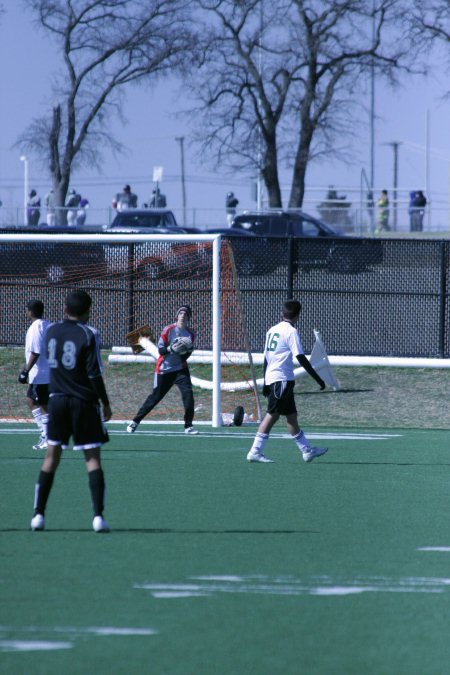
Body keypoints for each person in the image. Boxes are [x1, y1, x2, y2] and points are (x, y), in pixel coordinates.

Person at [30, 290, 112, 533]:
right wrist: (105, 403)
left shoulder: (52, 331)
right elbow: (94, 373)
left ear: (65, 308)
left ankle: (38, 515)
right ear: (88, 311)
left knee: (51, 458)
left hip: (56, 400)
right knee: (92, 459)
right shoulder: (89, 333)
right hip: (84, 402)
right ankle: (98, 517)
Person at [246, 299, 327, 463]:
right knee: (273, 415)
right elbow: (300, 357)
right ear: (298, 315)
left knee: (291, 416)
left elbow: (266, 358)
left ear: (281, 313)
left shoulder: (272, 330)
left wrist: (265, 381)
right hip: (281, 379)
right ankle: (255, 451)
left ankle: (306, 450)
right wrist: (318, 378)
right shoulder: (291, 331)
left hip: (277, 379)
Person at [126, 304, 198, 435]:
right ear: (177, 316)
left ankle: (188, 426)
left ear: (188, 317)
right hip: (165, 369)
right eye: (180, 313)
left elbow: (187, 354)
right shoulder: (168, 330)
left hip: (180, 369)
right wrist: (172, 348)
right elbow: (161, 350)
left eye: (185, 314)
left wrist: (187, 351)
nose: (183, 315)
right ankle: (135, 422)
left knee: (188, 395)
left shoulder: (191, 334)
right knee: (155, 397)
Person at [18, 300, 50, 450]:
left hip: (40, 373)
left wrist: (25, 370)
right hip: (47, 372)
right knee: (31, 400)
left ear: (30, 312)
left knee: (41, 404)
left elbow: (36, 351)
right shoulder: (47, 324)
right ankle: (46, 434)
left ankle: (48, 437)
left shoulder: (36, 327)